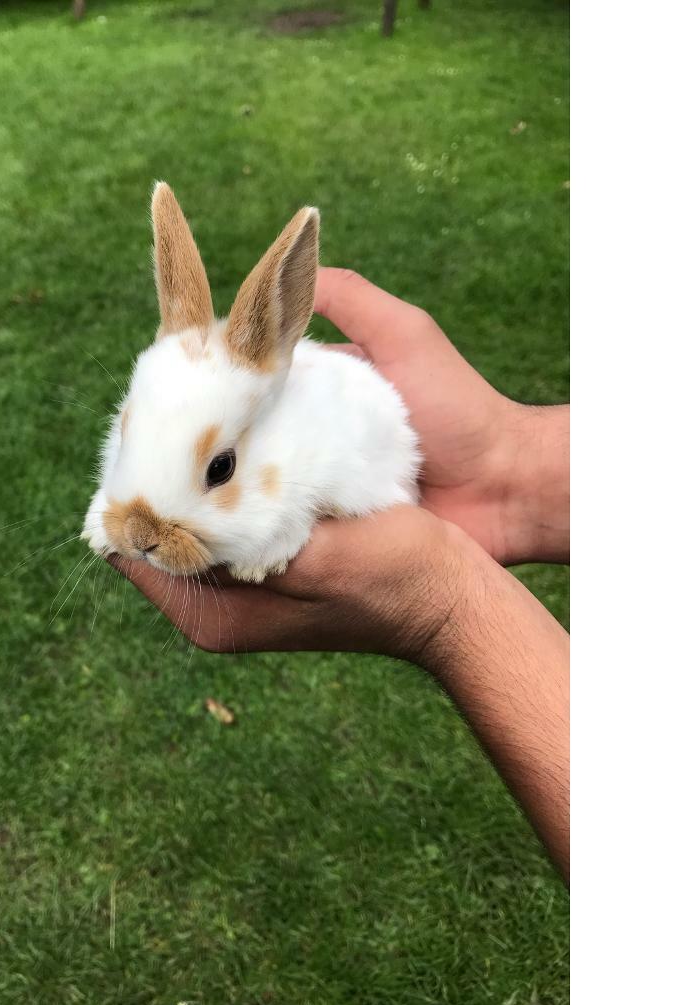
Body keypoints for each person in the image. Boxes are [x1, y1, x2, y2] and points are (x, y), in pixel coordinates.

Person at [108, 267, 570, 881]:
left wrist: (444, 610)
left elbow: (365, 469)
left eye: (219, 471)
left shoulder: (327, 426)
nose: (145, 541)